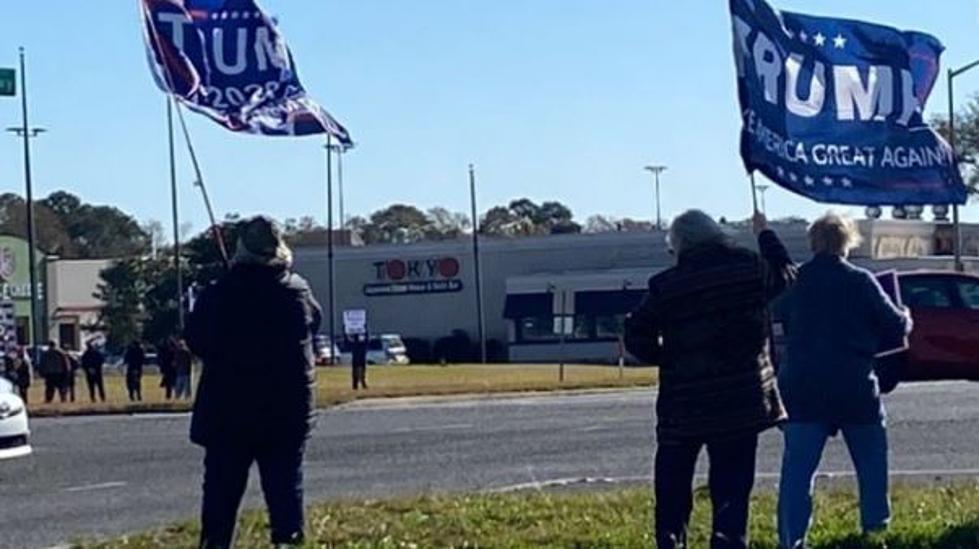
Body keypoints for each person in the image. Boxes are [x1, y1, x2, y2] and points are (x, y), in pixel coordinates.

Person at [625, 210, 795, 549]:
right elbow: (786, 274)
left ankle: (672, 539)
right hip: (741, 399)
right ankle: (728, 540)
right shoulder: (751, 269)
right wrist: (765, 234)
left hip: (683, 402)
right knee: (732, 484)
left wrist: (667, 358)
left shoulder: (666, 286)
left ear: (680, 244)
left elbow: (636, 335)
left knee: (673, 482)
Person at [776, 213, 913, 548]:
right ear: (847, 242)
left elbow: (779, 317)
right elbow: (895, 326)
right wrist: (906, 315)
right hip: (854, 383)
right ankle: (875, 529)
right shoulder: (861, 281)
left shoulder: (794, 281)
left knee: (797, 470)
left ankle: (791, 538)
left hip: (803, 385)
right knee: (871, 463)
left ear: (812, 242)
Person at [186, 215, 322, 548]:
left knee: (220, 495)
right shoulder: (298, 292)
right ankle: (288, 542)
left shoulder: (218, 295)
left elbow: (196, 340)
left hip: (226, 413)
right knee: (286, 491)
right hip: (285, 412)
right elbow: (313, 325)